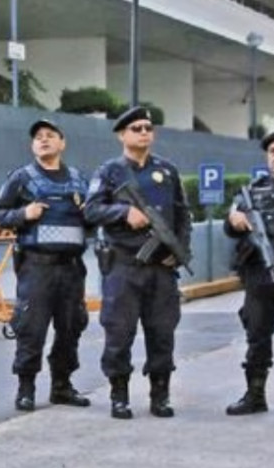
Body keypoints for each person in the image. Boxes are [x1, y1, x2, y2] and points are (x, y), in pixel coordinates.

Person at [83, 107, 191, 419]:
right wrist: (122, 213)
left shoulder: (167, 171)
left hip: (161, 269)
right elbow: (90, 211)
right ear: (122, 135)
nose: (143, 132)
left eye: (147, 127)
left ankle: (160, 396)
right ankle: (120, 395)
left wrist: (180, 249)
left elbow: (182, 215)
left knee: (162, 333)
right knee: (119, 332)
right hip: (123, 266)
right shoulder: (110, 172)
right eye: (136, 128)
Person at [0, 119, 93, 412]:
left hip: (71, 269)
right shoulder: (22, 179)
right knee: (31, 328)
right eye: (38, 137)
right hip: (37, 267)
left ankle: (62, 386)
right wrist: (25, 213)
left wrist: (89, 215)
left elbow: (94, 218)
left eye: (50, 136)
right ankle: (26, 388)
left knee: (70, 328)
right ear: (32, 145)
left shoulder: (79, 180)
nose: (43, 140)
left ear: (62, 143)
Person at [224, 128, 274, 415]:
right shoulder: (252, 190)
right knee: (256, 336)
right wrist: (235, 219)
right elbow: (231, 228)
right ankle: (255, 395)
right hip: (260, 276)